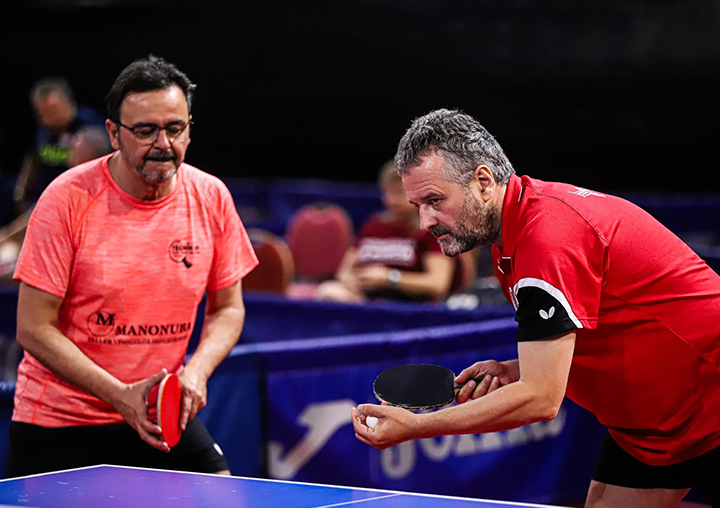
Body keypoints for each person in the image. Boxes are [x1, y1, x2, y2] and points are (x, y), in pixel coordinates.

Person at [351, 109, 720, 507]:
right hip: (654, 427)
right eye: (417, 204)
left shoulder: (546, 238)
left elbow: (541, 399)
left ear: (482, 181)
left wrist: (417, 426)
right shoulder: (509, 239)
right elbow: (586, 333)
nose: (425, 221)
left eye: (435, 200)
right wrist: (515, 370)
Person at [6, 55, 259, 478]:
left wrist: (196, 373)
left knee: (223, 494)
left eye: (175, 128)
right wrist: (120, 394)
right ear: (113, 134)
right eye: (145, 130)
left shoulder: (211, 196)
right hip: (60, 422)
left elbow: (229, 308)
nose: (163, 143)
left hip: (161, 413)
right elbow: (33, 327)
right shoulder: (65, 199)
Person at [316, 160, 458, 302]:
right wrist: (352, 282)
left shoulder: (432, 229)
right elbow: (344, 271)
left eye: (399, 193)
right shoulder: (373, 226)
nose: (391, 200)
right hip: (366, 300)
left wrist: (390, 278)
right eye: (388, 192)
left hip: (409, 306)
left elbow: (437, 284)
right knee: (328, 291)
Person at [0, 125, 113, 282]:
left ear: (89, 154)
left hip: (84, 264)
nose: (68, 155)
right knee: (8, 254)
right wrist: (6, 237)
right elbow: (33, 220)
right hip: (60, 256)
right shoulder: (67, 186)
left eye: (74, 148)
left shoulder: (98, 191)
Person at [13, 77, 106, 216]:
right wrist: (21, 191)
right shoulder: (44, 129)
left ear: (68, 101)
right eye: (41, 113)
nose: (46, 118)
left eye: (52, 110)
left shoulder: (91, 126)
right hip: (44, 200)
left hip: (77, 204)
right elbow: (33, 157)